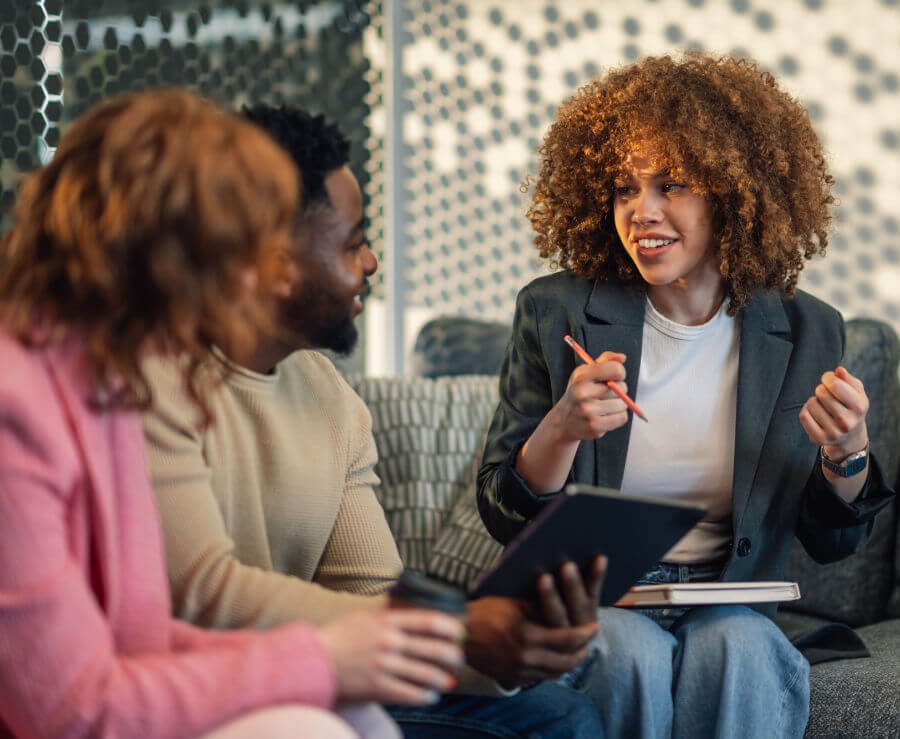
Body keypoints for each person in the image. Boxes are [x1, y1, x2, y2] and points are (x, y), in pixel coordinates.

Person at [0, 88, 467, 739]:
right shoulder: (16, 410)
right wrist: (319, 658)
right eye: (241, 254)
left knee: (353, 712)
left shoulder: (106, 381)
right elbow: (72, 708)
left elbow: (141, 635)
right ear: (163, 255)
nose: (259, 281)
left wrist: (338, 661)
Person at [141, 104, 607, 738]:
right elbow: (201, 592)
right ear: (272, 262)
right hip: (183, 691)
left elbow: (370, 596)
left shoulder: (328, 396)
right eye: (352, 241)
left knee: (560, 717)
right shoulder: (147, 381)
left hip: (314, 678)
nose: (371, 264)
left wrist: (496, 645)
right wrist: (461, 627)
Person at [477, 53, 896, 739]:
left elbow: (834, 540)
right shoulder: (557, 313)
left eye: (671, 184)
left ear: (732, 193)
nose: (641, 212)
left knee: (738, 644)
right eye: (622, 189)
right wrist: (559, 429)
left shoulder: (807, 328)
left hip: (730, 601)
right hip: (598, 601)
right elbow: (502, 511)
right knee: (627, 648)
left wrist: (846, 457)